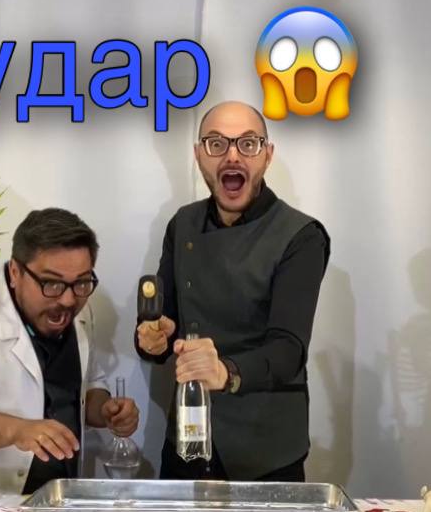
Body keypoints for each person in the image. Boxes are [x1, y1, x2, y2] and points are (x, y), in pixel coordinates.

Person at [136, 100, 330, 482]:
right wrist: (152, 339)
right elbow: (164, 322)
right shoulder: (183, 224)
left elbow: (288, 350)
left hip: (265, 451)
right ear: (198, 155)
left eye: (248, 143)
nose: (232, 156)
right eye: (216, 143)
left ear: (267, 155)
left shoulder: (301, 236)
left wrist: (224, 372)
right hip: (188, 438)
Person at [0, 208, 138, 494]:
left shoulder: (81, 314)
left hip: (58, 498)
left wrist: (105, 411)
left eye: (82, 282)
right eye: (51, 283)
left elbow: (88, 386)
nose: (68, 299)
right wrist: (18, 430)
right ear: (15, 272)